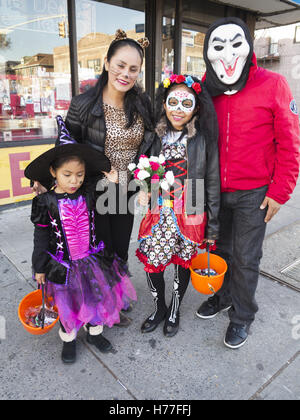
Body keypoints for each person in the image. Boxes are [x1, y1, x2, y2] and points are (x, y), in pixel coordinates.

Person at [31, 29, 154, 325]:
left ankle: (117, 297)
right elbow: (65, 147)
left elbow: (150, 144)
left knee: (121, 247)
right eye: (120, 65)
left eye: (133, 69)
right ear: (106, 62)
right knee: (100, 249)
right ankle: (102, 304)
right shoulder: (84, 103)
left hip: (125, 190)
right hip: (92, 191)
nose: (125, 74)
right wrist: (47, 180)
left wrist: (147, 183)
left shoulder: (142, 105)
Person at [197, 17, 300, 349]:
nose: (227, 54)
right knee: (220, 250)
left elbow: (290, 141)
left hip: (254, 193)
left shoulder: (274, 84)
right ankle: (224, 296)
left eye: (235, 44)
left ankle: (242, 316)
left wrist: (280, 191)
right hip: (215, 189)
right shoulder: (206, 87)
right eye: (218, 46)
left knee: (245, 257)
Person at [25, 116, 137, 364]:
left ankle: (95, 333)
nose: (74, 180)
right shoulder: (45, 202)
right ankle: (69, 339)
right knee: (69, 304)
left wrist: (113, 182)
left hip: (93, 261)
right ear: (53, 172)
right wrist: (39, 267)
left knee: (96, 298)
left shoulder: (89, 193)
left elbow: (108, 193)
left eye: (79, 174)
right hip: (63, 268)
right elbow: (41, 236)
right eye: (67, 174)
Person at [136, 74, 220, 337]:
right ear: (164, 104)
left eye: (186, 103)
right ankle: (160, 307)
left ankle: (175, 309)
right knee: (153, 260)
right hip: (160, 209)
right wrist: (144, 189)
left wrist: (213, 227)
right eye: (173, 101)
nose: (178, 109)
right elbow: (144, 169)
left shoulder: (203, 140)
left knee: (182, 262)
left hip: (192, 204)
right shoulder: (154, 137)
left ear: (196, 107)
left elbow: (213, 182)